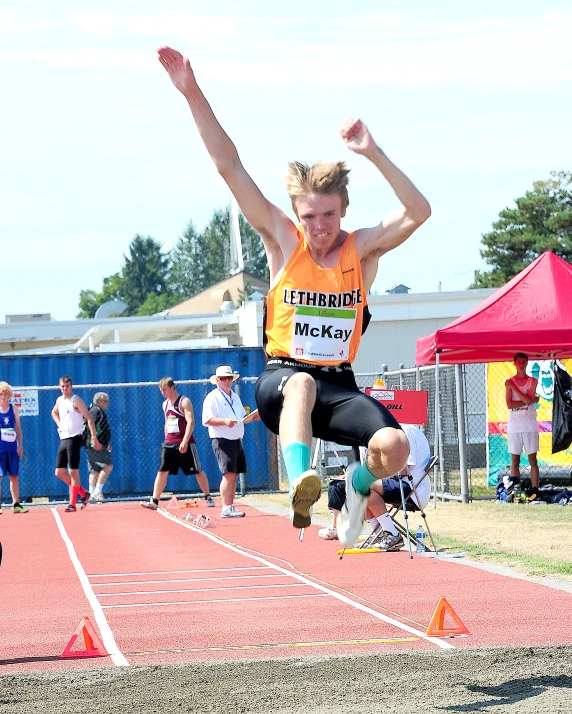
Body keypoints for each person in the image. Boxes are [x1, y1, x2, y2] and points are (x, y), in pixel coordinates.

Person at [158, 47, 430, 545]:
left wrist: (372, 152)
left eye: (328, 215)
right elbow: (229, 167)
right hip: (281, 380)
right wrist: (191, 92)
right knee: (301, 384)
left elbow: (418, 211)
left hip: (340, 386)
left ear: (342, 210)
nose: (319, 227)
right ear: (296, 215)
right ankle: (300, 482)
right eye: (309, 217)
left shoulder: (361, 252)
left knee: (395, 446)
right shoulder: (285, 242)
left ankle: (356, 484)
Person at [319, 424, 432, 550]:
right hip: (397, 485)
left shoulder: (403, 434)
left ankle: (393, 535)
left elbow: (404, 471)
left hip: (413, 489)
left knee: (361, 485)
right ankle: (378, 535)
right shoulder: (369, 440)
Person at [141, 377, 215, 510]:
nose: (162, 392)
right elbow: (167, 422)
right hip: (170, 443)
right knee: (162, 471)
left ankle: (208, 496)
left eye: (164, 390)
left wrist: (185, 441)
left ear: (172, 387)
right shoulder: (165, 404)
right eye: (161, 390)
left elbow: (190, 422)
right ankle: (155, 501)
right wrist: (166, 439)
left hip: (185, 442)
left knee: (197, 471)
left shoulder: (184, 401)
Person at [202, 365, 261, 518]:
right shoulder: (212, 397)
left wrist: (252, 417)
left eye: (229, 378)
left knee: (234, 474)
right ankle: (226, 507)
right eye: (223, 378)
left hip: (236, 439)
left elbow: (241, 418)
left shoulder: (235, 396)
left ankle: (230, 506)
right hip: (222, 439)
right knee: (228, 474)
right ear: (217, 381)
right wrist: (224, 421)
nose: (227, 381)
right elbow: (207, 420)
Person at [51, 375, 101, 512]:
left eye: (67, 386)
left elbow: (89, 418)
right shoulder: (60, 400)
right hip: (64, 437)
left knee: (73, 471)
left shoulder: (76, 400)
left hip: (74, 438)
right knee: (59, 472)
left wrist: (94, 437)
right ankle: (83, 493)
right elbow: (54, 412)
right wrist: (59, 423)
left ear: (71, 386)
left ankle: (72, 504)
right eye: (62, 386)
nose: (64, 389)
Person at [505, 352, 540, 499]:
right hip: (515, 424)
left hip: (529, 424)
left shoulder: (532, 381)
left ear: (526, 363)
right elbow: (509, 404)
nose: (521, 364)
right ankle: (515, 489)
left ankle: (535, 489)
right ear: (514, 363)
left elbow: (527, 400)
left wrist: (515, 389)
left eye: (523, 361)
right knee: (515, 460)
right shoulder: (509, 382)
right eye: (518, 361)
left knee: (532, 459)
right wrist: (529, 400)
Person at [0, 381, 28, 513]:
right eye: (0, 394)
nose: (3, 397)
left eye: (5, 394)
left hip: (12, 448)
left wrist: (20, 446)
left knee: (14, 476)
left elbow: (19, 428)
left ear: (9, 395)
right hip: (0, 449)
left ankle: (16, 504)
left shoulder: (14, 409)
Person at [85, 392, 113, 501]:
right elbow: (96, 428)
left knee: (95, 470)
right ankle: (97, 492)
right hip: (95, 444)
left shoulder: (91, 410)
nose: (107, 404)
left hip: (91, 443)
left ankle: (91, 493)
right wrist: (99, 442)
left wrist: (106, 443)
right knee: (107, 466)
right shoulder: (97, 412)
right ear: (100, 401)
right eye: (106, 401)